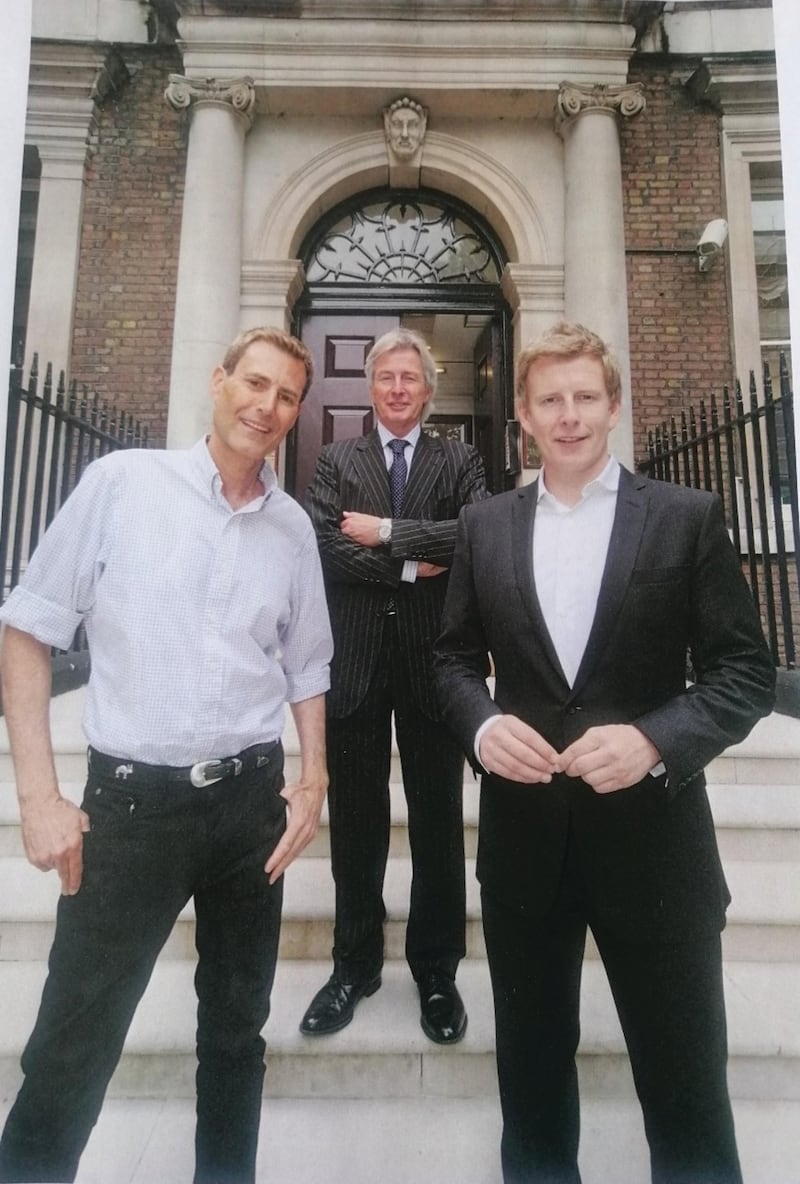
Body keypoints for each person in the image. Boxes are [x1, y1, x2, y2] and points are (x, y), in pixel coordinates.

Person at [433, 321, 776, 1184]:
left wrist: (657, 739)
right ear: (524, 417)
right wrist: (479, 724)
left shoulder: (686, 519)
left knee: (688, 1097)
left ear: (614, 407)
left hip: (657, 851)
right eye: (551, 400)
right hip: (526, 850)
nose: (570, 415)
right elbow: (448, 662)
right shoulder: (482, 526)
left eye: (586, 397)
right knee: (534, 1097)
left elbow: (746, 673)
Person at [0, 326, 333, 1184]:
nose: (267, 406)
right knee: (75, 1037)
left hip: (249, 805)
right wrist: (39, 796)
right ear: (219, 382)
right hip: (131, 808)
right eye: (253, 384)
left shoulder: (292, 528)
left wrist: (314, 777)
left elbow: (306, 664)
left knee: (235, 1033)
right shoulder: (122, 484)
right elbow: (28, 629)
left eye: (286, 395)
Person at [299, 327, 489, 1044]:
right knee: (356, 824)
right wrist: (414, 564)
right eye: (388, 378)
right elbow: (323, 545)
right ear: (370, 386)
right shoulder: (336, 458)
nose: (399, 388)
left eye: (411, 378)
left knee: (438, 823)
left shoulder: (459, 457)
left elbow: (474, 532)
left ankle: (435, 972)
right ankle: (354, 967)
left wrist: (385, 533)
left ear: (427, 390)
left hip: (431, 663)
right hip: (354, 666)